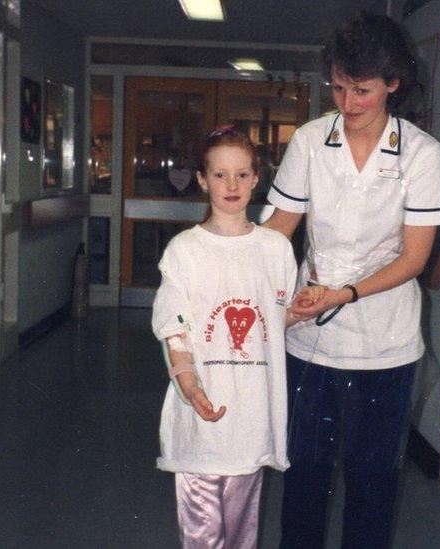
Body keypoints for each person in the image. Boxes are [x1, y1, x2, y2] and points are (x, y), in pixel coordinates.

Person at [263, 12, 440, 548]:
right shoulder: (309, 141)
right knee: (305, 479)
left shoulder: (421, 153)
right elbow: (278, 231)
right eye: (339, 87)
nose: (347, 103)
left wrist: (343, 294)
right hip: (310, 342)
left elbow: (415, 257)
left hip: (384, 347)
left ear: (393, 84)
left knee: (372, 484)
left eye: (361, 90)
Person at [151, 127, 323, 549]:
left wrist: (302, 311)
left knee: (243, 531)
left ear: (256, 179)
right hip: (202, 414)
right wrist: (189, 385)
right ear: (202, 179)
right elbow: (174, 329)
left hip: (251, 416)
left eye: (242, 175)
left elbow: (274, 321)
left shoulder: (275, 249)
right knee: (203, 535)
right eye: (221, 174)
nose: (232, 185)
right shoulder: (184, 250)